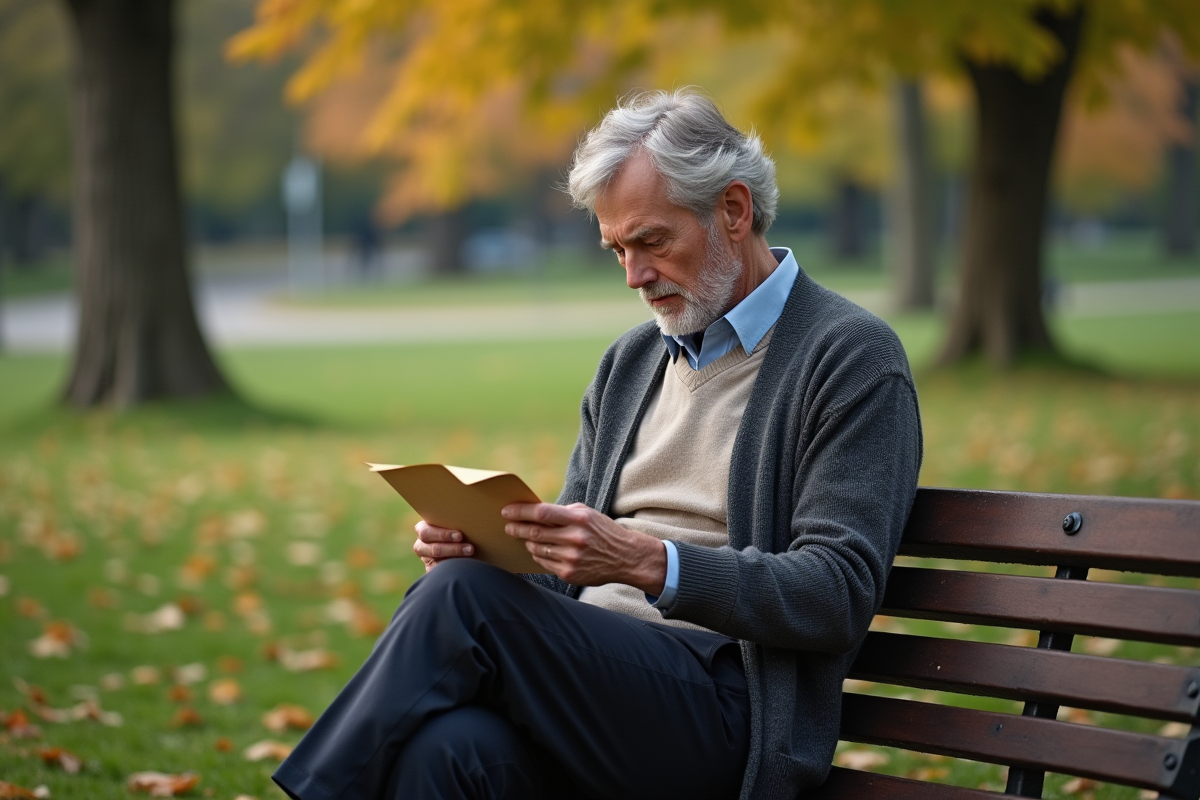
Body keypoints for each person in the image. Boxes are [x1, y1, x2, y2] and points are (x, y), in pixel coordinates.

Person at [273, 89, 922, 800]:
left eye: (651, 242)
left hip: (728, 713)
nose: (634, 277)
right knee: (450, 749)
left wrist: (651, 562)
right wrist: (492, 550)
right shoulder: (631, 362)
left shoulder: (849, 356)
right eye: (617, 249)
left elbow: (836, 592)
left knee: (463, 601)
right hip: (591, 693)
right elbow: (562, 572)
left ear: (733, 211)